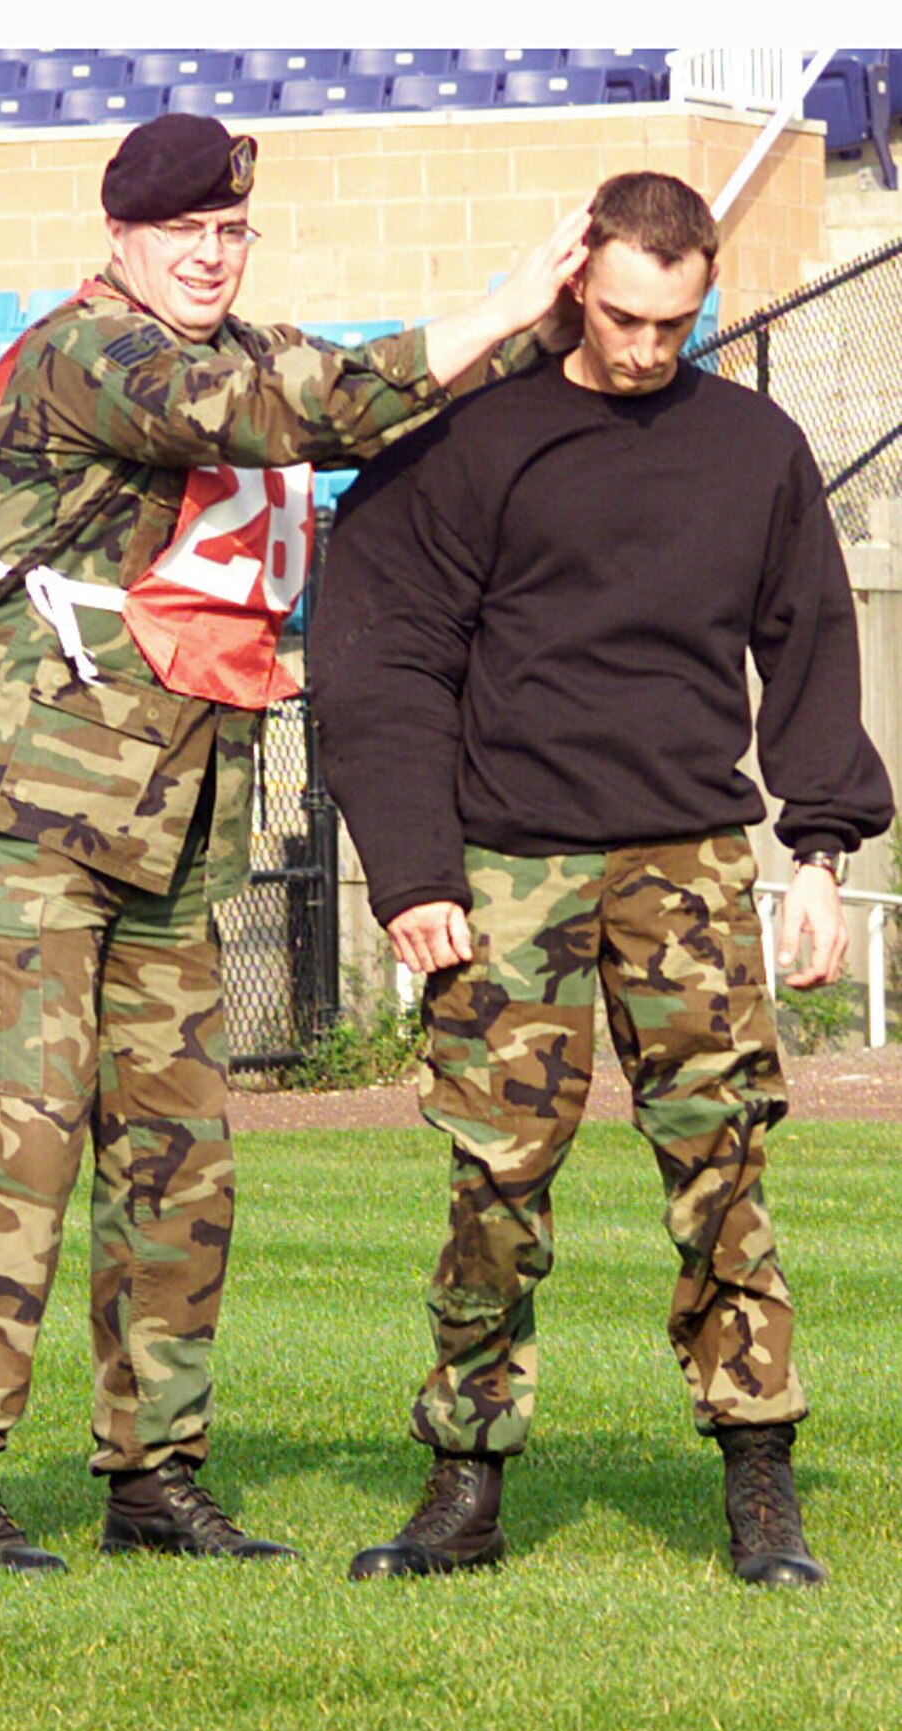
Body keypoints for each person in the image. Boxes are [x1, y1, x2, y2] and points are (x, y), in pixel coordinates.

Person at [0, 111, 592, 1573]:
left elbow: (379, 404)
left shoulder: (240, 346)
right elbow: (299, 415)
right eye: (183, 234)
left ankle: (153, 1478)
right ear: (123, 239)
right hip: (27, 812)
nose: (210, 255)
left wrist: (565, 322)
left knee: (180, 1163)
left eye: (230, 233)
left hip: (171, 823)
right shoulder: (93, 356)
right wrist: (507, 301)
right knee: (23, 1142)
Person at [310, 170, 894, 1588]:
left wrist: (818, 852)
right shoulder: (472, 439)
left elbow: (811, 649)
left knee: (724, 1169)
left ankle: (762, 1487)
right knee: (496, 1181)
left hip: (690, 861)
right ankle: (465, 1484)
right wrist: (412, 870)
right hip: (507, 863)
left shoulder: (753, 449)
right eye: (627, 317)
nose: (647, 350)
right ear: (579, 281)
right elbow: (378, 660)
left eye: (677, 323)